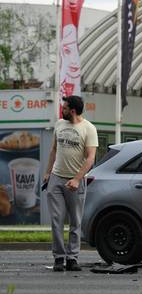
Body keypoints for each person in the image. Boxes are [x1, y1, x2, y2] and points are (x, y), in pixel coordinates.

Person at [43, 95, 98, 272]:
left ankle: (72, 258)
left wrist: (77, 179)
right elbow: (53, 150)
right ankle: (59, 258)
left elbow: (90, 158)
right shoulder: (59, 124)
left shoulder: (89, 128)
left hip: (76, 181)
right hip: (56, 179)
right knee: (56, 220)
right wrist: (47, 172)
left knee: (75, 221)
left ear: (72, 111)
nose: (62, 110)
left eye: (65, 108)